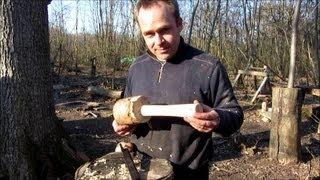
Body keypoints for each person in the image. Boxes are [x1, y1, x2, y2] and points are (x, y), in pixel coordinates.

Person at [112, 0, 243, 179]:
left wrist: (218, 119)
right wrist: (122, 123)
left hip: (189, 173)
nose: (158, 41)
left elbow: (234, 114)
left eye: (164, 30)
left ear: (179, 23)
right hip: (142, 169)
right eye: (149, 34)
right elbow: (128, 110)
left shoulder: (208, 67)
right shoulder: (137, 67)